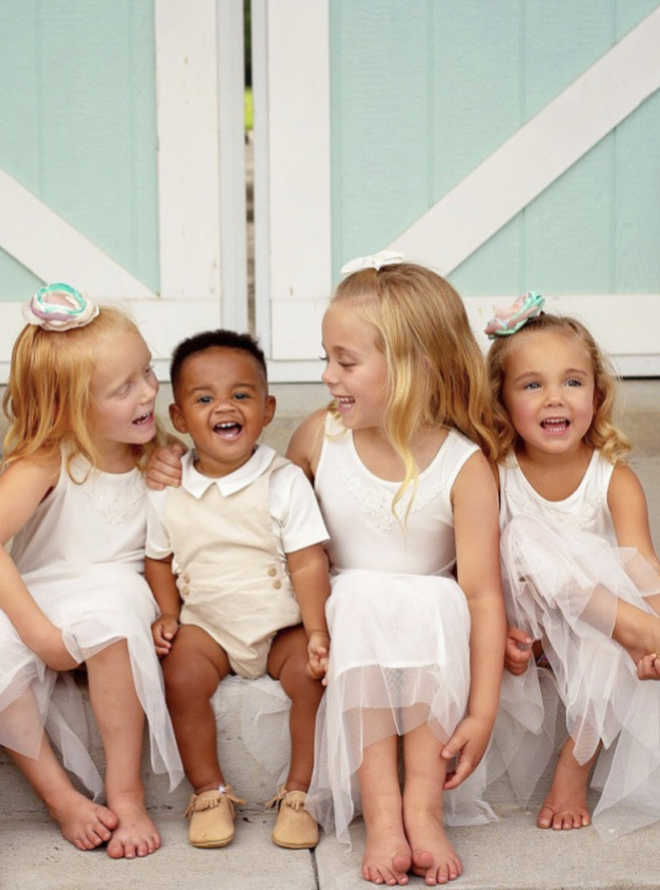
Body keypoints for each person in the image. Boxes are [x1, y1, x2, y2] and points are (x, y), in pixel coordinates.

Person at [289, 253, 506, 886]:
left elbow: (483, 596)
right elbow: (259, 499)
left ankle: (424, 808)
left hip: (429, 640)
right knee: (358, 597)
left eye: (346, 361)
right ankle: (383, 816)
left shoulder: (463, 464)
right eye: (326, 357)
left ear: (415, 366)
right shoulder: (317, 439)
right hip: (350, 631)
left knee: (430, 601)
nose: (329, 376)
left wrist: (484, 711)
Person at [0, 284, 183, 861]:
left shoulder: (153, 449)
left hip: (114, 590)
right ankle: (61, 798)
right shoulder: (46, 459)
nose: (148, 393)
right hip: (43, 593)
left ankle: (126, 795)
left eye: (147, 373)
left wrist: (176, 458)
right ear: (69, 407)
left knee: (111, 625)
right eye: (123, 388)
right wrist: (37, 634)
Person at [144, 329, 330, 851]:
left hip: (281, 623)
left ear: (268, 408)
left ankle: (300, 793)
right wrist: (167, 613)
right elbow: (157, 560)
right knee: (180, 675)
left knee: (310, 679)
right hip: (209, 624)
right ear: (179, 417)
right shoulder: (168, 486)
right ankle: (209, 790)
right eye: (204, 398)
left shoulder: (283, 480)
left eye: (241, 395)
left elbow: (307, 560)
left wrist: (315, 629)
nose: (224, 406)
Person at [485, 295, 660, 838]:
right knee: (523, 536)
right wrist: (496, 636)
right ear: (502, 400)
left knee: (609, 642)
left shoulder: (614, 476)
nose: (554, 398)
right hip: (524, 624)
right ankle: (640, 630)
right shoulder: (494, 471)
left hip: (590, 624)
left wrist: (651, 639)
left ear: (597, 394)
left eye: (572, 382)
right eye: (532, 384)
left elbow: (642, 566)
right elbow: (478, 566)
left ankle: (575, 763)